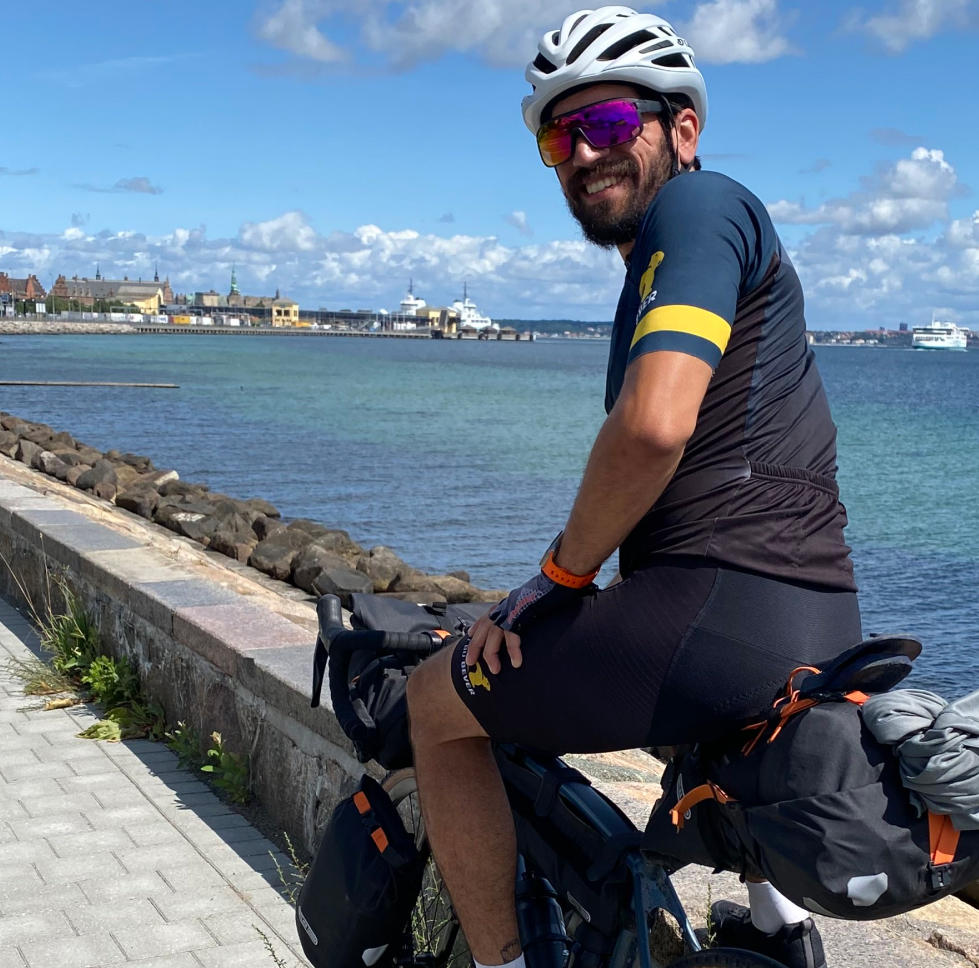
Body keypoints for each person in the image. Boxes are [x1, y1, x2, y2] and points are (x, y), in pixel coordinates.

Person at [406, 8, 862, 968]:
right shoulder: (674, 260)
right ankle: (777, 932)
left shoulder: (697, 211)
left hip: (723, 613)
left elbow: (655, 427)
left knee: (433, 709)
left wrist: (558, 578)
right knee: (686, 721)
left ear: (681, 130)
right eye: (558, 135)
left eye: (609, 122)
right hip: (817, 622)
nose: (583, 151)